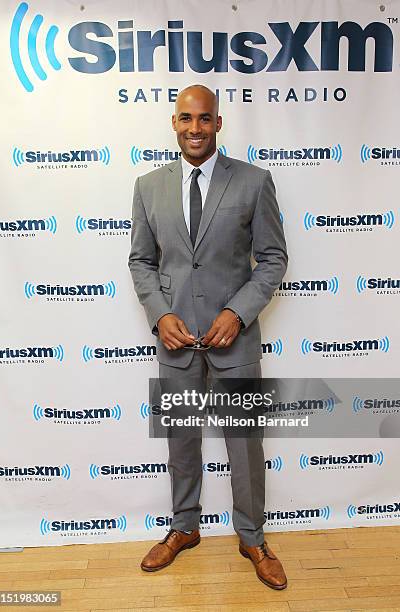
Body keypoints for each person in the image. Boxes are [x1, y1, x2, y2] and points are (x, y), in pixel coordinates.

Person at [128, 84, 288, 589]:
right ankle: (184, 528)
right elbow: (142, 261)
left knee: (244, 444)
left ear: (218, 123)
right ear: (173, 124)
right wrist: (159, 314)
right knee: (181, 440)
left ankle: (253, 537)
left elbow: (273, 259)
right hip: (175, 342)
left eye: (203, 119)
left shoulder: (254, 182)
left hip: (233, 341)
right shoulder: (148, 186)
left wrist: (237, 314)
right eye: (184, 119)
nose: (194, 128)